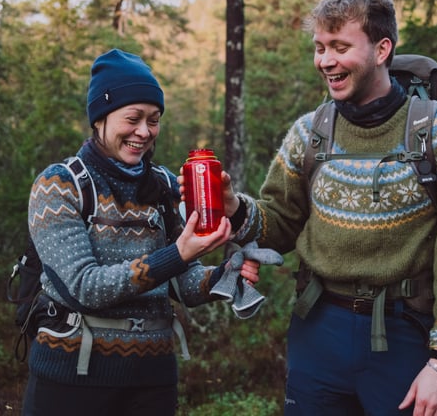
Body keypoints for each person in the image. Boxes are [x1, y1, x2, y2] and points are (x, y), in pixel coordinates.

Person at [224, 0, 437, 415]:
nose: (325, 60)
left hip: (405, 334)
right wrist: (234, 209)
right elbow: (278, 224)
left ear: (382, 48)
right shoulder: (309, 133)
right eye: (319, 48)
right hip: (318, 330)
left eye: (339, 47)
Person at [22, 48, 260, 416]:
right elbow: (85, 286)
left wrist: (223, 277)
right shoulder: (59, 185)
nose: (144, 132)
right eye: (133, 118)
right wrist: (177, 254)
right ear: (100, 117)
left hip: (153, 381)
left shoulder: (164, 184)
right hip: (72, 378)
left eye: (154, 119)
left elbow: (181, 284)